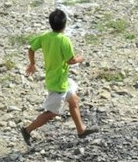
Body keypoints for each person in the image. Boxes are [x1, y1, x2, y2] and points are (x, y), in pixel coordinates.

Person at [20, 8, 96, 146]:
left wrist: (32, 63)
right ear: (65, 25)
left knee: (73, 100)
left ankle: (81, 130)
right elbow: (70, 61)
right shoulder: (64, 40)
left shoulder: (45, 37)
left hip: (58, 79)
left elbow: (31, 48)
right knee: (52, 113)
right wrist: (80, 58)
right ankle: (27, 130)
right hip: (58, 84)